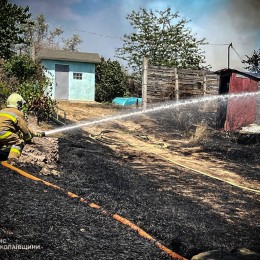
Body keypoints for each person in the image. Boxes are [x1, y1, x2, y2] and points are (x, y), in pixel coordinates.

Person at [0, 93, 45, 164]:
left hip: (2, 133)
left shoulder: (2, 111)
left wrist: (36, 134)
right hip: (3, 133)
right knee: (18, 142)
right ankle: (12, 160)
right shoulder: (18, 113)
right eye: (20, 104)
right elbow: (23, 128)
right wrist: (28, 138)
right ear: (18, 104)